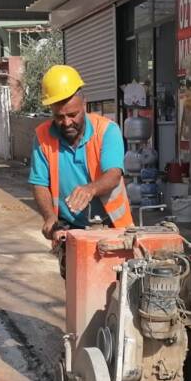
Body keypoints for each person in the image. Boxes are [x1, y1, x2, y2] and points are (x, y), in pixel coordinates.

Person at [28, 64, 133, 248]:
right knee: (75, 277)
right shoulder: (42, 136)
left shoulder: (107, 131)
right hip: (69, 232)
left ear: (84, 105)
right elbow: (40, 183)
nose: (67, 122)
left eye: (72, 114)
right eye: (59, 117)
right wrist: (50, 218)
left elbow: (114, 174)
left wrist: (90, 189)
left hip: (114, 230)